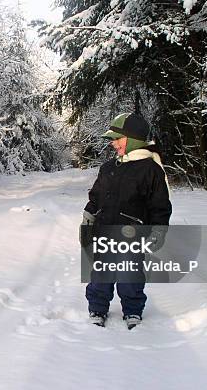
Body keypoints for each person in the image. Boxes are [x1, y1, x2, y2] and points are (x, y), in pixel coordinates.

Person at [82, 112, 172, 329]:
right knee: (101, 272)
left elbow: (160, 206)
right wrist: (88, 217)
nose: (113, 144)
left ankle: (132, 310)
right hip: (105, 230)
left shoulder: (150, 170)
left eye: (117, 139)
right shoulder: (109, 168)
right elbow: (96, 196)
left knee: (129, 273)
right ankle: (97, 307)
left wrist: (158, 231)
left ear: (132, 139)